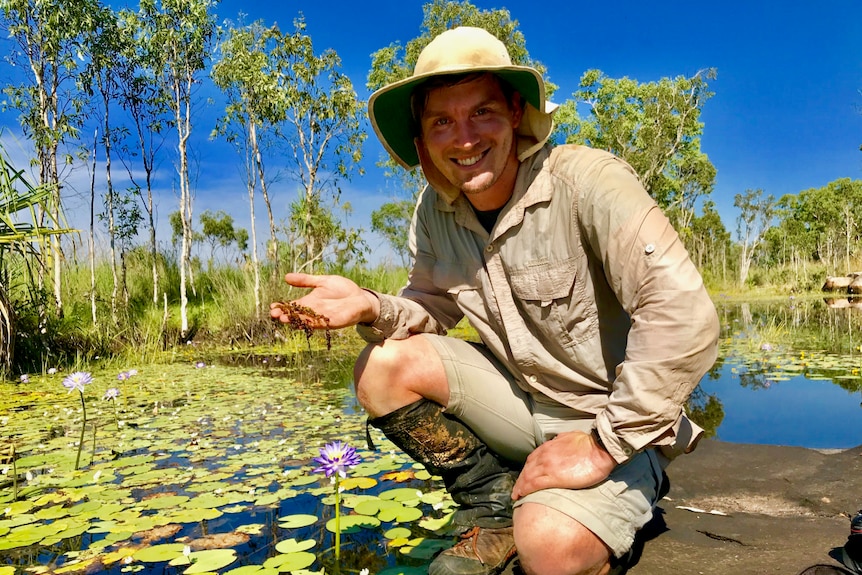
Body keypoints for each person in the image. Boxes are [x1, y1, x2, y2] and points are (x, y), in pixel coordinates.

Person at [271, 26, 719, 575]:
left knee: (550, 547)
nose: (463, 138)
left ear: (514, 112)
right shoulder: (433, 211)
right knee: (382, 367)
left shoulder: (586, 181)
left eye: (481, 112)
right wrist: (369, 305)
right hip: (521, 404)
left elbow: (681, 312)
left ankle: (611, 492)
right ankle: (490, 504)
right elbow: (432, 308)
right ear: (422, 140)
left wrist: (603, 447)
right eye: (442, 121)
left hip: (609, 418)